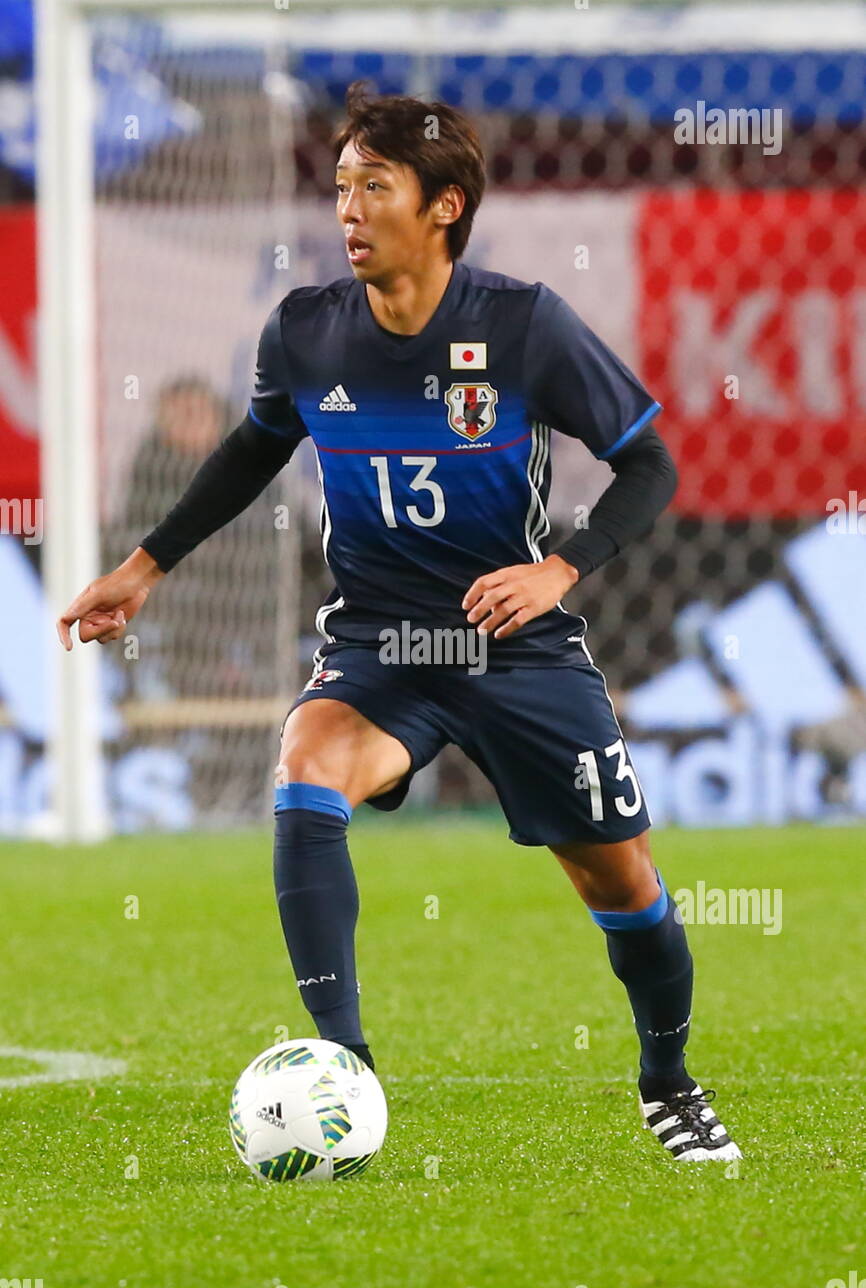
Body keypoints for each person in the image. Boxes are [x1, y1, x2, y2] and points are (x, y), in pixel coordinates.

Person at [58, 81, 740, 1163]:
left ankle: (667, 1079)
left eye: (374, 184)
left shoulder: (522, 327)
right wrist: (144, 566)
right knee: (305, 760)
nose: (347, 208)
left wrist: (560, 567)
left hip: (516, 647)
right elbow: (252, 449)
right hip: (378, 645)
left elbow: (648, 464)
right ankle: (345, 1074)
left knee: (620, 879)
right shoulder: (306, 333)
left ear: (443, 205)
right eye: (339, 185)